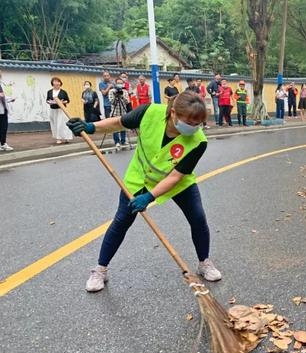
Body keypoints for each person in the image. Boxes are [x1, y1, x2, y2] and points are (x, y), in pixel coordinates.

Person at [65, 91, 221, 292]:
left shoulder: (199, 142)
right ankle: (100, 270)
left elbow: (175, 176)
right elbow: (119, 123)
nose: (192, 127)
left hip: (177, 182)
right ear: (173, 112)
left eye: (197, 124)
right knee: (122, 220)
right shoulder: (149, 112)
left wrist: (150, 196)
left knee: (198, 218)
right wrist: (90, 127)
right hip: (140, 177)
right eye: (188, 122)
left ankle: (204, 262)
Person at [46, 77, 74, 144]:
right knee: (55, 124)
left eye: (58, 81)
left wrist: (62, 102)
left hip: (61, 110)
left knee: (62, 124)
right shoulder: (49, 92)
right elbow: (47, 100)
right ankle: (58, 138)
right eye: (55, 81)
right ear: (52, 83)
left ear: (60, 83)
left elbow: (67, 100)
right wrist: (50, 102)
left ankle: (67, 137)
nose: (56, 83)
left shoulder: (63, 92)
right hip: (53, 109)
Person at [108, 77, 131, 150]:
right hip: (115, 112)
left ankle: (123, 140)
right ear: (115, 84)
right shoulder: (111, 91)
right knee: (115, 128)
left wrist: (121, 96)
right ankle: (117, 141)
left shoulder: (125, 92)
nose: (120, 84)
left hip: (123, 112)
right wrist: (116, 96)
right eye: (118, 83)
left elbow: (127, 101)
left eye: (121, 83)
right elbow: (112, 102)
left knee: (123, 126)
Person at [0, 68, 16, 151]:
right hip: (1, 110)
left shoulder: (1, 84)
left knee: (3, 127)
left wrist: (9, 98)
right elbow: (2, 96)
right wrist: (10, 99)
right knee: (3, 127)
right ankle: (3, 144)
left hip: (3, 109)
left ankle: (2, 143)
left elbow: (3, 96)